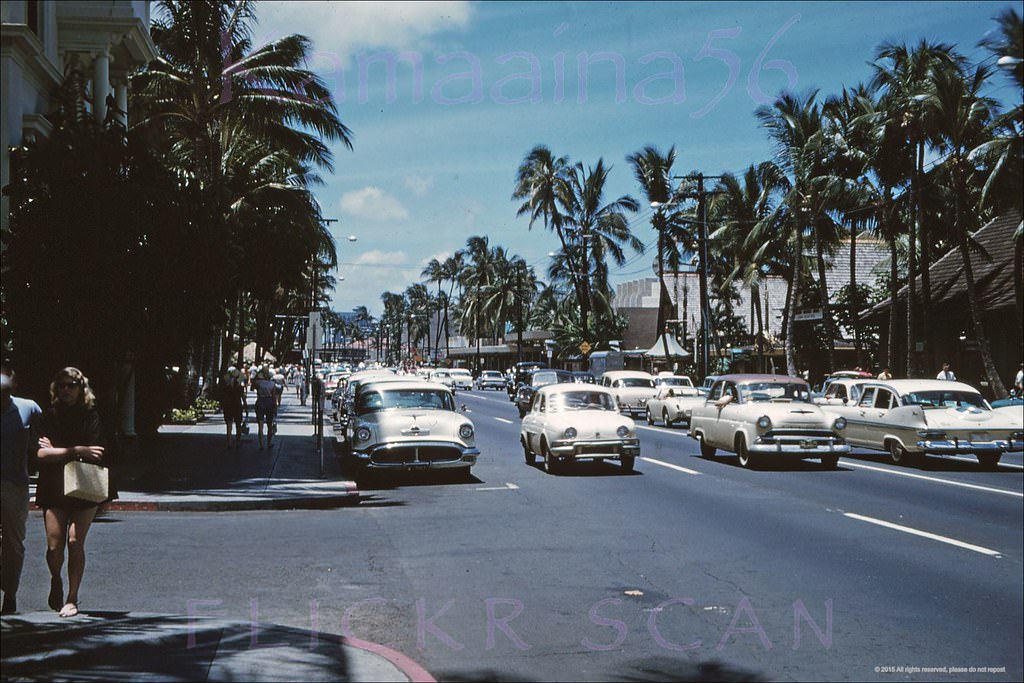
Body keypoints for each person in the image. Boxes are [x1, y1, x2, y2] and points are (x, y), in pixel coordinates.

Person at [35, 367, 108, 618]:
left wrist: (60, 450)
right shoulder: (49, 416)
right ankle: (56, 578)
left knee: (75, 541)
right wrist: (78, 449)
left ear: (81, 388)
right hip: (54, 485)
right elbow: (42, 454)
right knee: (54, 547)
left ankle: (72, 597)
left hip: (85, 484)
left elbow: (97, 452)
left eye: (72, 385)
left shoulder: (91, 416)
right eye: (62, 385)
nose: (66, 389)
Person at [1, 365, 42, 614]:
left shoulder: (29, 408)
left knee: (14, 542)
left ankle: (10, 593)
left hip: (15, 483)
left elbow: (42, 439)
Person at [252, 367, 279, 449]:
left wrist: (258, 374)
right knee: (269, 425)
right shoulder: (272, 384)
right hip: (269, 402)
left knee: (260, 425)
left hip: (260, 401)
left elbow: (252, 386)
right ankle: (269, 442)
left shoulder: (258, 383)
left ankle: (261, 444)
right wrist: (275, 407)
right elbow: (274, 397)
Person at [221, 367, 245, 448]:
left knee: (229, 425)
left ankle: (229, 442)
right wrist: (245, 406)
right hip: (237, 406)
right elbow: (243, 397)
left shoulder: (225, 387)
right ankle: (238, 442)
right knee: (238, 425)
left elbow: (222, 396)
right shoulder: (239, 387)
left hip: (228, 406)